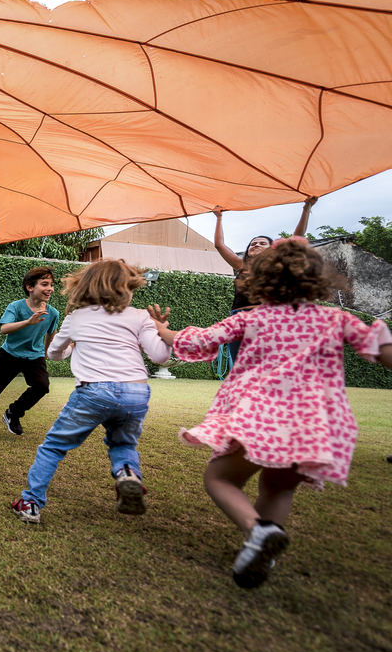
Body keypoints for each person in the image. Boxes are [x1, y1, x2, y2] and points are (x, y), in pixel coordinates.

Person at [149, 238, 392, 588]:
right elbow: (381, 349)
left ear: (260, 280)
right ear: (317, 280)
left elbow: (200, 341)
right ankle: (263, 551)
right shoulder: (338, 319)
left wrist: (161, 331)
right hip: (313, 424)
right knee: (279, 488)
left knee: (221, 479)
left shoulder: (251, 317)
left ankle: (257, 532)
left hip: (261, 416)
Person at [9, 260, 172, 524]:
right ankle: (127, 473)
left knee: (53, 447)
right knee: (123, 443)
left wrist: (73, 348)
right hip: (136, 392)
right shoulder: (141, 316)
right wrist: (161, 330)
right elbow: (159, 357)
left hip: (94, 391)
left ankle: (30, 503)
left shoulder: (77, 318)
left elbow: (53, 353)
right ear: (125, 288)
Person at [211, 197, 316, 367]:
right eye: (253, 244)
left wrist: (306, 207)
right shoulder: (241, 265)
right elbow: (219, 245)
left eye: (262, 243)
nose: (256, 245)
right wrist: (219, 218)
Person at [0, 267, 60, 440]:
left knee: (42, 386)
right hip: (10, 354)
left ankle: (13, 413)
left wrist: (46, 351)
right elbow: (4, 329)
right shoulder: (15, 307)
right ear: (30, 287)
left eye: (52, 285)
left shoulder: (53, 313)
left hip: (35, 356)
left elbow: (51, 332)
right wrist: (28, 321)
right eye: (45, 284)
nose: (50, 289)